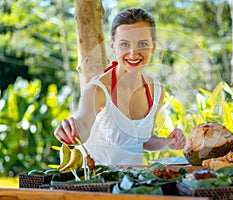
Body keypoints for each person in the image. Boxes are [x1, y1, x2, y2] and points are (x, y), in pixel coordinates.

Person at [54, 8, 186, 165]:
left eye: (142, 44)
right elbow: (82, 127)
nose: (133, 53)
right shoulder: (98, 90)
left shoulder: (156, 90)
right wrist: (69, 130)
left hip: (133, 186)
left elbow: (142, 140)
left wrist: (167, 142)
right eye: (124, 44)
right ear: (113, 46)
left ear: (153, 46)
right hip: (98, 186)